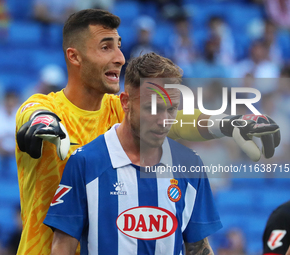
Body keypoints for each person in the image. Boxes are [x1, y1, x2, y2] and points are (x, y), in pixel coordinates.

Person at [15, 9, 280, 255]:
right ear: (74, 56)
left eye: (119, 46)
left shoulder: (120, 109)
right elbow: (34, 116)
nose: (119, 57)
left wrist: (228, 123)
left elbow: (181, 121)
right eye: (106, 47)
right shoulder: (45, 107)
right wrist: (43, 123)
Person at [44, 52, 222, 255]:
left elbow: (199, 248)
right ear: (125, 102)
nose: (164, 120)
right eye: (153, 108)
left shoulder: (190, 166)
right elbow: (62, 247)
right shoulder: (85, 163)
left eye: (171, 109)